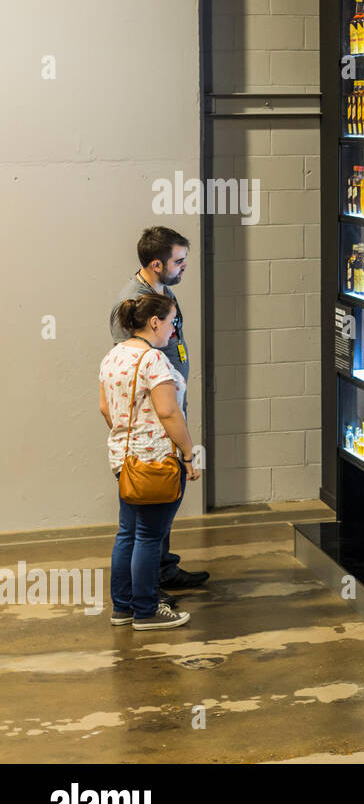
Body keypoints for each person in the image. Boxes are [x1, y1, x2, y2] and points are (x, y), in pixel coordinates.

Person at [110, 226, 209, 591]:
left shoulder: (162, 291)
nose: (184, 268)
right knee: (142, 527)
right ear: (155, 264)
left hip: (167, 418)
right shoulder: (134, 303)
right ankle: (146, 597)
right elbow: (127, 377)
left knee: (157, 514)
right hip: (152, 433)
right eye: (178, 261)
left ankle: (161, 573)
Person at [100, 294, 201, 630]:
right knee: (149, 536)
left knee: (128, 533)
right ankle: (146, 609)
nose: (173, 331)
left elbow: (105, 409)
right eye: (172, 322)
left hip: (125, 461)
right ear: (154, 322)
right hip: (158, 461)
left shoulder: (113, 356)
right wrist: (188, 454)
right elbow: (169, 412)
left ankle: (123, 607)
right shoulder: (153, 360)